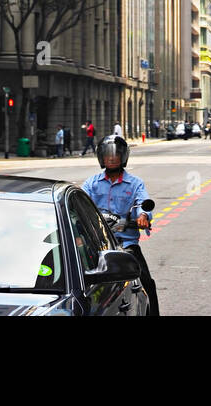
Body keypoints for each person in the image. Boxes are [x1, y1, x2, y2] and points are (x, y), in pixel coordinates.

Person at [82, 134, 159, 316]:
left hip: (126, 245)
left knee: (147, 283)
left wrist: (142, 215)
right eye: (108, 153)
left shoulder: (135, 184)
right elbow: (81, 204)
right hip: (95, 244)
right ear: (101, 157)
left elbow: (142, 202)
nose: (112, 157)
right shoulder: (91, 183)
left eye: (116, 153)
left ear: (124, 156)